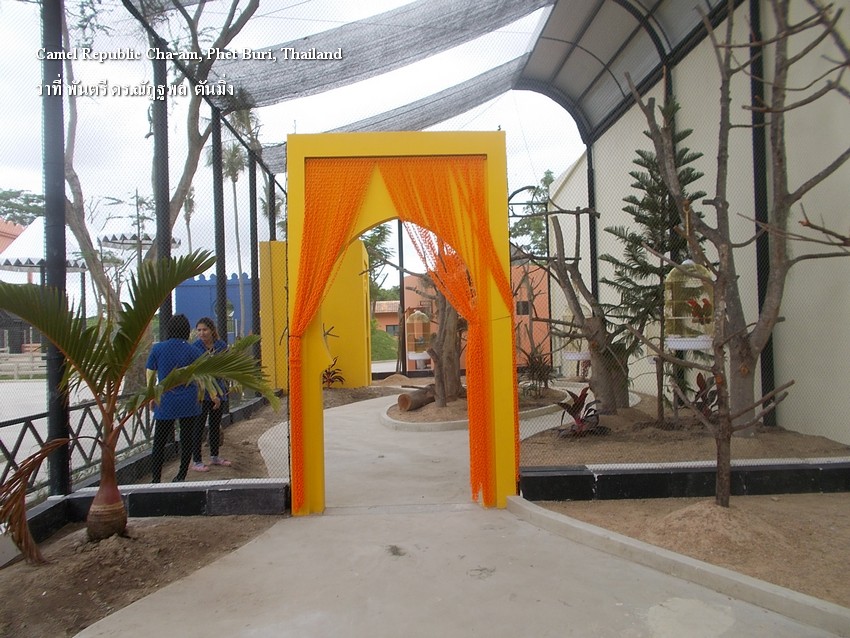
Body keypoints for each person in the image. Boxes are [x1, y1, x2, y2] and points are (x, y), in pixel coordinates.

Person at [146, 314, 204, 483]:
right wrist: (200, 396)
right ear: (186, 330)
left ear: (169, 329)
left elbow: (150, 374)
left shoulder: (158, 349)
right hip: (188, 399)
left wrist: (151, 396)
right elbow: (201, 378)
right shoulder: (194, 351)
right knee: (187, 439)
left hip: (165, 398)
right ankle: (181, 475)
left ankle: (156, 479)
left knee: (159, 441)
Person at [191, 317, 232, 471]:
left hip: (219, 392)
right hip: (202, 394)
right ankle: (197, 460)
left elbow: (226, 366)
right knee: (199, 426)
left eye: (205, 330)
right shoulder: (195, 348)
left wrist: (221, 390)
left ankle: (215, 456)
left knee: (215, 425)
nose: (202, 333)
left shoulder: (221, 346)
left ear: (212, 330)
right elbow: (196, 373)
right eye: (199, 330)